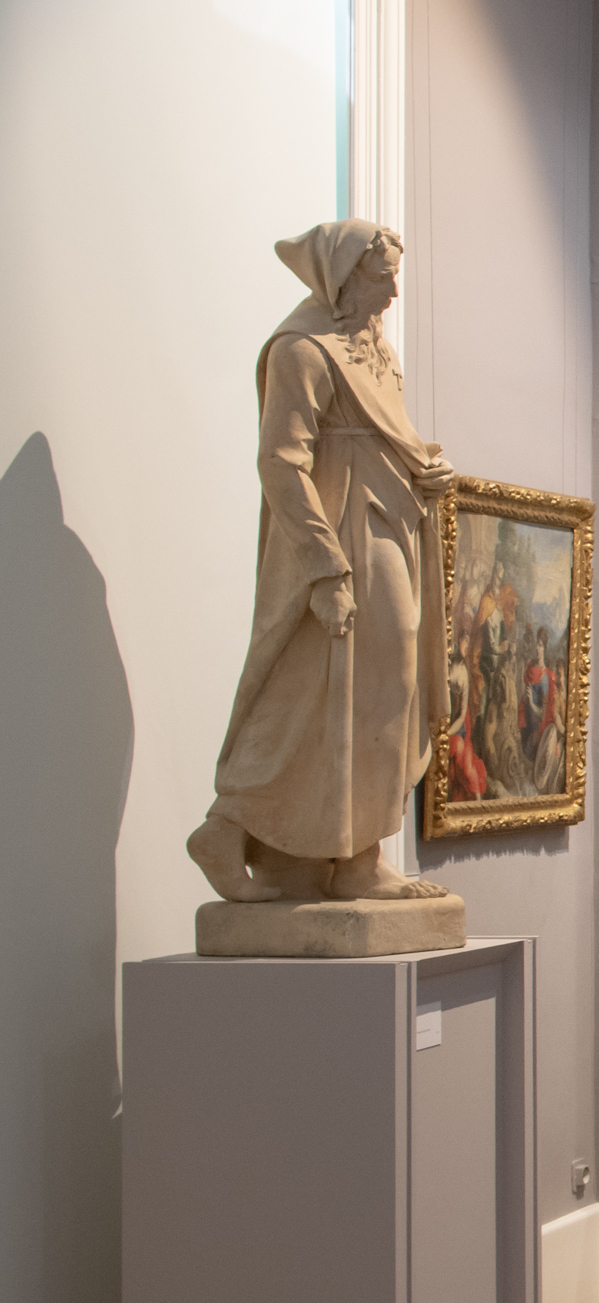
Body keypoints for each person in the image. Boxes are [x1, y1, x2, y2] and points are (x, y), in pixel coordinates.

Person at [187, 220, 459, 904]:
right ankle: (235, 829)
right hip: (342, 528)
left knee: (379, 689)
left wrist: (425, 469)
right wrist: (324, 566)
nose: (392, 292)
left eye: (394, 276)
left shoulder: (377, 349)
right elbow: (282, 462)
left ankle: (346, 856)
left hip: (386, 517)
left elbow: (387, 438)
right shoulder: (301, 350)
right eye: (380, 277)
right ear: (342, 276)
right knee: (321, 688)